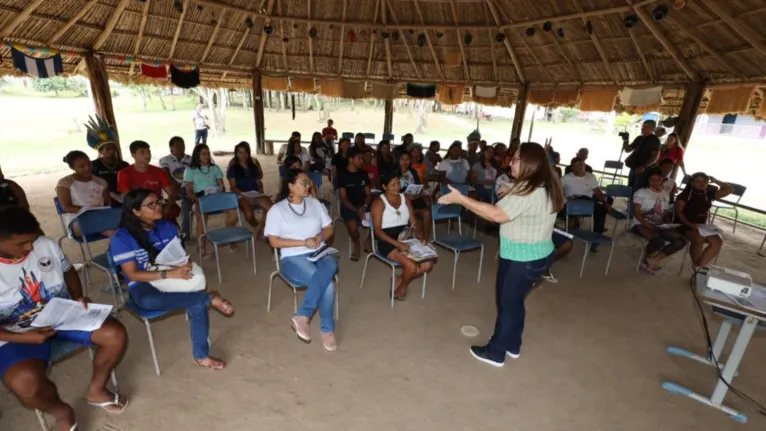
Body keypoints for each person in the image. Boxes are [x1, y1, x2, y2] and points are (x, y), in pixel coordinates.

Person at [0, 206, 129, 431]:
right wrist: (26, 338)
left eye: (32, 239)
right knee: (24, 384)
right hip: (15, 333)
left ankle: (96, 390)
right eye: (21, 244)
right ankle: (61, 411)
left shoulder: (45, 245)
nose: (31, 247)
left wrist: (77, 295)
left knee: (115, 334)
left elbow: (68, 270)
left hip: (60, 314)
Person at [438, 142, 564, 367]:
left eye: (515, 158)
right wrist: (512, 188)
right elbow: (524, 197)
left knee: (507, 303)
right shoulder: (544, 184)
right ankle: (512, 343)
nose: (510, 161)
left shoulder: (530, 192)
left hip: (523, 259)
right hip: (536, 255)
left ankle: (496, 352)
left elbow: (497, 215)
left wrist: (461, 200)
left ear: (528, 164)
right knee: (514, 301)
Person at [111, 189, 233, 370]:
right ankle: (208, 298)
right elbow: (132, 275)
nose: (157, 207)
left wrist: (187, 265)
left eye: (158, 202)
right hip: (144, 283)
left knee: (196, 299)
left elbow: (180, 256)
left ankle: (201, 355)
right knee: (152, 300)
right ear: (135, 211)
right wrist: (168, 274)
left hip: (171, 275)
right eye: (150, 205)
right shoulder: (122, 237)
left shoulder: (167, 226)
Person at [265, 169, 339, 351]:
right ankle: (326, 328)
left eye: (309, 183)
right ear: (290, 185)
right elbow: (274, 241)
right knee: (327, 284)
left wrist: (319, 238)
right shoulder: (277, 210)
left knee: (332, 262)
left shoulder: (314, 203)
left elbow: (329, 228)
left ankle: (302, 316)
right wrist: (304, 242)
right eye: (304, 183)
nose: (309, 186)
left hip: (318, 251)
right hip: (293, 257)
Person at [371, 173, 434, 301]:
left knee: (428, 264)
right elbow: (377, 231)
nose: (396, 187)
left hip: (406, 238)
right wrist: (397, 244)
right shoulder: (378, 202)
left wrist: (420, 236)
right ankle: (403, 287)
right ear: (384, 186)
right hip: (386, 241)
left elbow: (413, 222)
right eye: (392, 185)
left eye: (398, 183)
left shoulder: (405, 198)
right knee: (411, 266)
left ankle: (400, 279)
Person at [631, 167, 686, 274]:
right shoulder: (641, 192)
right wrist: (648, 225)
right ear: (647, 180)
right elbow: (637, 213)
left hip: (658, 224)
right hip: (640, 223)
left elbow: (664, 213)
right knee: (658, 241)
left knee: (680, 242)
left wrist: (668, 222)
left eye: (659, 179)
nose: (656, 182)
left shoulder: (665, 193)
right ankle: (646, 259)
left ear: (662, 179)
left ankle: (653, 260)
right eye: (653, 180)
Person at [184, 144, 236, 256]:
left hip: (215, 196)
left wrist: (222, 196)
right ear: (197, 155)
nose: (207, 156)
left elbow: (221, 186)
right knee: (202, 217)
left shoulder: (214, 168)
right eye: (203, 153)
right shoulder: (190, 170)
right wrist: (197, 199)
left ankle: (224, 237)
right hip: (200, 197)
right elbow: (189, 191)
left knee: (234, 213)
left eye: (208, 153)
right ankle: (201, 246)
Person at [675, 173, 734, 270]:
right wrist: (689, 224)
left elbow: (730, 189)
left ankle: (699, 265)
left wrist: (715, 180)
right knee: (699, 239)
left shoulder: (708, 193)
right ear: (692, 183)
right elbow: (679, 213)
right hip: (684, 225)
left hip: (701, 226)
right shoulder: (684, 195)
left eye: (704, 181)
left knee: (717, 241)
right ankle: (697, 266)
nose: (702, 184)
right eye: (698, 181)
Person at [55, 151, 113, 237]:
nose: (87, 168)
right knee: (111, 230)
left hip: (100, 217)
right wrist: (90, 211)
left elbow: (107, 203)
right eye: (81, 166)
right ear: (73, 168)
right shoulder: (65, 183)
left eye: (89, 164)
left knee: (123, 224)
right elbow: (66, 207)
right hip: (77, 221)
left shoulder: (101, 182)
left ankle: (112, 245)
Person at [117, 140, 179, 221]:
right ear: (133, 155)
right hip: (137, 211)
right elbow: (128, 199)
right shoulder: (124, 173)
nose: (147, 155)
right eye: (142, 152)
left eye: (148, 152)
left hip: (157, 208)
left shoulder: (159, 171)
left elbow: (171, 193)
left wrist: (167, 207)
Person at [227, 142, 273, 239]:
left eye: (245, 152)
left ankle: (260, 227)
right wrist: (245, 196)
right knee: (249, 214)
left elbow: (258, 182)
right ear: (236, 154)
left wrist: (261, 191)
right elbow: (233, 187)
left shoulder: (253, 166)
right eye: (240, 152)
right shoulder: (233, 168)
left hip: (255, 193)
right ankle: (255, 226)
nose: (243, 155)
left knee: (273, 210)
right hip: (241, 194)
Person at [560, 157, 612, 240]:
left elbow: (597, 192)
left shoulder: (591, 177)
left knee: (602, 209)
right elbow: (557, 191)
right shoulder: (566, 178)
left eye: (577, 166)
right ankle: (568, 232)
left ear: (583, 166)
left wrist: (604, 203)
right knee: (576, 204)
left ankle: (596, 235)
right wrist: (564, 199)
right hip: (572, 202)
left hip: (587, 202)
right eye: (573, 166)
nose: (574, 168)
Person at [338, 148, 372, 261]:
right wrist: (357, 210)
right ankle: (356, 243)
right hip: (349, 206)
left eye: (362, 158)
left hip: (363, 205)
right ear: (351, 160)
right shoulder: (342, 175)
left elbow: (368, 194)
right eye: (359, 158)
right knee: (353, 227)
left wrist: (364, 207)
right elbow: (343, 198)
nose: (362, 161)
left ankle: (368, 241)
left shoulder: (363, 174)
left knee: (381, 217)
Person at [86, 115, 128, 206]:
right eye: (108, 149)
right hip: (102, 199)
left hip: (124, 198)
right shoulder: (93, 166)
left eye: (113, 149)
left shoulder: (124, 165)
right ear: (101, 151)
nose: (112, 151)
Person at [159, 137, 193, 240]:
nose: (181, 147)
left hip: (187, 187)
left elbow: (195, 175)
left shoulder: (190, 159)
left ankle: (185, 232)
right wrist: (176, 186)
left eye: (182, 144)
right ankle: (169, 207)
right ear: (171, 148)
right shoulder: (165, 160)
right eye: (177, 145)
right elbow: (165, 175)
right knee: (174, 188)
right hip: (171, 187)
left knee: (186, 203)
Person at [398, 151, 432, 242]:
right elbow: (391, 189)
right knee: (410, 213)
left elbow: (419, 186)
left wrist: (417, 194)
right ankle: (415, 234)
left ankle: (425, 240)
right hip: (400, 200)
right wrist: (404, 195)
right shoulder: (394, 172)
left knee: (427, 213)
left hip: (415, 197)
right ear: (398, 160)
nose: (405, 161)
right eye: (402, 159)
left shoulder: (412, 171)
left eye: (407, 159)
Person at [624, 119, 661, 191]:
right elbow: (627, 150)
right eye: (642, 126)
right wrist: (626, 140)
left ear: (651, 129)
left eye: (645, 127)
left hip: (644, 170)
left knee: (638, 189)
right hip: (634, 167)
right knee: (630, 188)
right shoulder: (639, 138)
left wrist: (644, 166)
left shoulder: (654, 140)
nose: (642, 128)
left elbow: (655, 157)